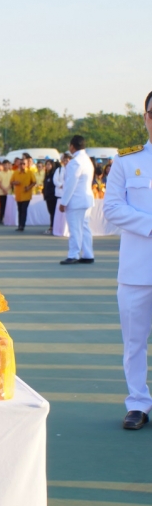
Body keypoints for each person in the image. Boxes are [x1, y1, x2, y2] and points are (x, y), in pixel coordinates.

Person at [104, 92, 152, 430]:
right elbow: (112, 208)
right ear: (146, 117)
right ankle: (137, 403)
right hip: (137, 268)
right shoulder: (126, 161)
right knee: (134, 341)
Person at [59, 135, 95, 264]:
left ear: (72, 146)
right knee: (84, 228)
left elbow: (70, 185)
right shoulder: (87, 160)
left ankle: (73, 254)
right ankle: (88, 254)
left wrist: (64, 202)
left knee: (75, 229)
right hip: (86, 199)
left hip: (76, 201)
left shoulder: (75, 162)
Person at [10, 158, 36, 231]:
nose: (22, 165)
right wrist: (15, 183)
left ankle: (22, 225)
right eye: (21, 164)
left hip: (26, 195)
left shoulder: (30, 172)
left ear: (27, 164)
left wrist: (28, 187)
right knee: (20, 210)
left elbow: (34, 182)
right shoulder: (15, 173)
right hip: (18, 195)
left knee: (24, 209)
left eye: (24, 164)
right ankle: (20, 225)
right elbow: (11, 182)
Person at [41, 159, 59, 235]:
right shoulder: (46, 174)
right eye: (46, 164)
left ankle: (53, 226)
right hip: (47, 196)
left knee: (53, 212)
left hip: (53, 196)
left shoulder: (54, 175)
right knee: (51, 212)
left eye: (49, 165)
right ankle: (52, 225)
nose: (47, 166)